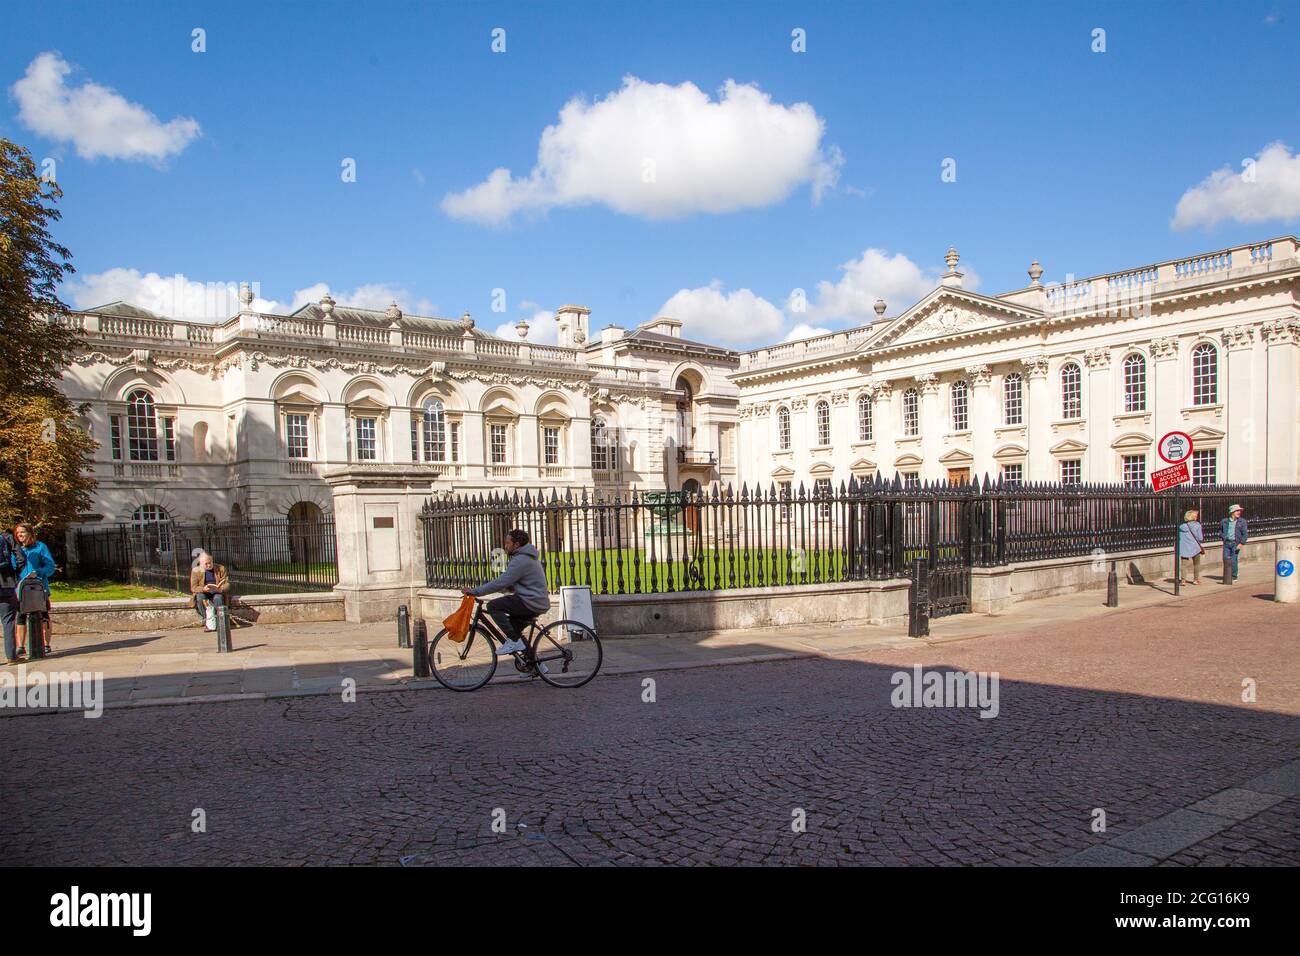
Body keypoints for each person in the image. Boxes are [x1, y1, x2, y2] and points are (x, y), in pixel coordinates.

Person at [461, 529, 549, 655]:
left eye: (508, 543)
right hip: (535, 600)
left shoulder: (520, 560)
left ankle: (514, 641)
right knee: (513, 629)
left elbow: (501, 582)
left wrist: (475, 592)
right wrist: (506, 589)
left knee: (493, 606)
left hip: (530, 602)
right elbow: (513, 583)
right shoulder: (526, 557)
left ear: (516, 545)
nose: (505, 546)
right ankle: (534, 665)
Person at [14, 523, 55, 656]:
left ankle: (46, 644)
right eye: (18, 532)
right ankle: (20, 646)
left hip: (38, 587)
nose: (20, 535)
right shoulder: (16, 548)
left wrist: (38, 572)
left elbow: (50, 566)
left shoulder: (40, 547)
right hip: (20, 587)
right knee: (20, 616)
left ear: (30, 533)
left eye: (23, 532)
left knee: (44, 616)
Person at [0, 527, 26, 663]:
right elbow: (21, 557)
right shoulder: (7, 537)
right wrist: (14, 574)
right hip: (5, 584)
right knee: (8, 621)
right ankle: (11, 657)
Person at [190, 550, 230, 631]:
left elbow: (227, 584)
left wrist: (221, 588)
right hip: (204, 592)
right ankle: (208, 622)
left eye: (210, 562)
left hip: (217, 591)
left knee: (218, 598)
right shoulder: (196, 571)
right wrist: (203, 589)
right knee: (200, 598)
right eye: (206, 564)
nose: (209, 565)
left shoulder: (221, 568)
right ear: (201, 564)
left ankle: (219, 621)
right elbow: (193, 587)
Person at [1220, 504, 1249, 583]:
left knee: (1233, 560)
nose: (1239, 512)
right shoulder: (1224, 521)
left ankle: (1234, 576)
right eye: (1237, 511)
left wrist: (1241, 543)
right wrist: (1223, 537)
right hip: (1227, 543)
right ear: (1232, 512)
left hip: (1235, 543)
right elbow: (1221, 531)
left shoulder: (1242, 521)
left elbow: (1245, 534)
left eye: (1239, 511)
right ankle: (1227, 575)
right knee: (1225, 559)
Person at [1177, 509, 1205, 586]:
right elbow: (1200, 538)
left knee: (1183, 565)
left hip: (1184, 548)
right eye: (1196, 515)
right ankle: (1195, 580)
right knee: (1196, 564)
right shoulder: (1197, 525)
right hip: (1195, 548)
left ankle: (1183, 580)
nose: (1197, 517)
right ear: (1193, 517)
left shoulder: (1182, 526)